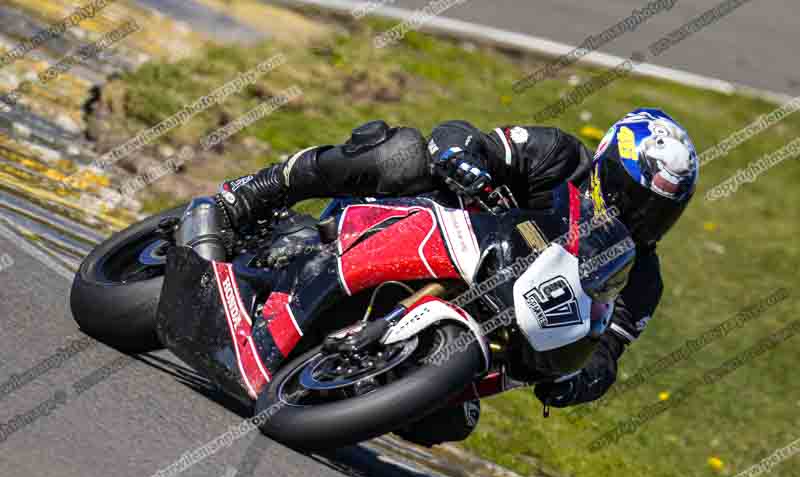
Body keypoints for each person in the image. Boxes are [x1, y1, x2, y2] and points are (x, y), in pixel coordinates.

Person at [199, 108, 698, 446]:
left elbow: (609, 350)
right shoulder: (560, 157)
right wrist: (463, 160)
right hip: (440, 227)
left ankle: (355, 376)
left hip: (499, 324)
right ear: (607, 166)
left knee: (451, 422)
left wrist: (577, 381)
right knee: (400, 152)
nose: (640, 215)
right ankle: (256, 191)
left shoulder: (642, 277)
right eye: (632, 196)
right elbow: (466, 137)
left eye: (658, 211)